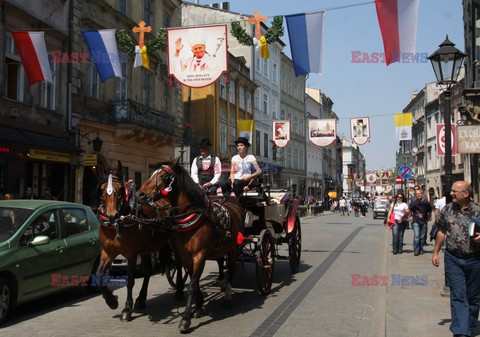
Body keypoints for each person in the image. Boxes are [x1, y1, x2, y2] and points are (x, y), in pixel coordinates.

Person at [432, 181, 480, 337]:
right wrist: (436, 252)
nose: (451, 193)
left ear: (465, 194)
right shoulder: (447, 210)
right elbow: (441, 232)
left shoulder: (478, 210)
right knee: (458, 295)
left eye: (454, 191)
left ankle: (470, 326)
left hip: (475, 259)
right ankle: (461, 332)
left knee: (473, 297)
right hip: (453, 258)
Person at [409, 187, 432, 256]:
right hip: (416, 221)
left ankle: (421, 248)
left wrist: (428, 218)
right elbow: (410, 210)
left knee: (422, 237)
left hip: (424, 221)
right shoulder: (414, 203)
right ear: (415, 195)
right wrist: (409, 216)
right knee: (417, 236)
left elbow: (430, 211)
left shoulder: (426, 203)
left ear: (422, 194)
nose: (418, 195)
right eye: (417, 194)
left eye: (420, 194)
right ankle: (416, 250)